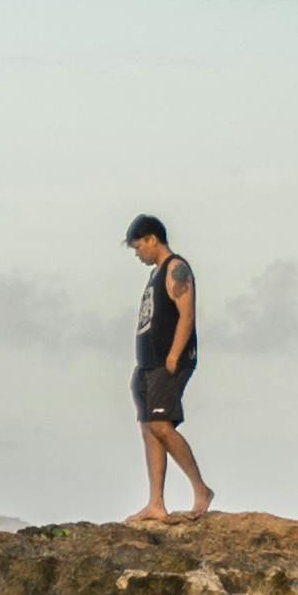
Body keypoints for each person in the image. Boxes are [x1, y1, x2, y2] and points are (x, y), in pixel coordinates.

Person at [124, 213, 211, 520]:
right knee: (149, 429)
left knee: (162, 425)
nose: (137, 254)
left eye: (138, 247)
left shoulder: (176, 268)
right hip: (146, 364)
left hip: (167, 361)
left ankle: (200, 489)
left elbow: (187, 315)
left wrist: (174, 356)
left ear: (152, 239)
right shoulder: (155, 273)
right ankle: (156, 503)